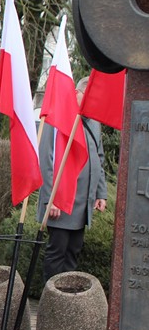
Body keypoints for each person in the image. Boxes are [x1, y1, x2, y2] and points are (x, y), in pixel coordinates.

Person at [37, 76, 108, 281]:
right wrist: (53, 198)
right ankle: (52, 301)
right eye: (88, 98)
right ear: (77, 93)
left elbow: (98, 158)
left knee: (73, 253)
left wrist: (100, 193)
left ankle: (66, 300)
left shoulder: (93, 121)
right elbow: (47, 161)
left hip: (82, 201)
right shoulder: (58, 117)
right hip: (61, 201)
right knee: (57, 253)